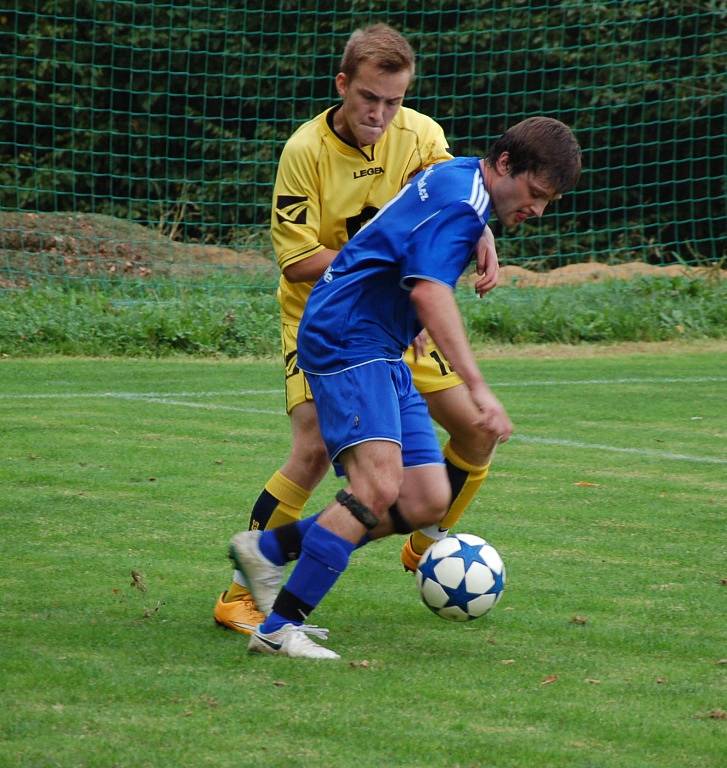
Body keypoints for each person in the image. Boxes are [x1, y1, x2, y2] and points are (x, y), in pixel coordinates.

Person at [227, 116, 582, 658]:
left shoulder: (461, 179)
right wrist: (480, 388)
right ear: (505, 165)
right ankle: (278, 630)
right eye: (535, 193)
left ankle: (268, 548)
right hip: (347, 336)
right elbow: (429, 292)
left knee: (426, 497)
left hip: (380, 340)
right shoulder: (464, 204)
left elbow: (404, 247)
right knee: (377, 487)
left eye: (548, 200)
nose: (537, 209)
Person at [214, 23, 502, 634]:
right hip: (327, 317)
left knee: (477, 431)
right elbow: (297, 262)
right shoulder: (305, 151)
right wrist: (399, 265)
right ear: (343, 85)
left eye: (393, 101)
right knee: (315, 444)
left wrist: (483, 231)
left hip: (401, 317)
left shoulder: (422, 135)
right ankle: (242, 593)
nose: (380, 113)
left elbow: (456, 203)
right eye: (369, 98)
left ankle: (430, 542)